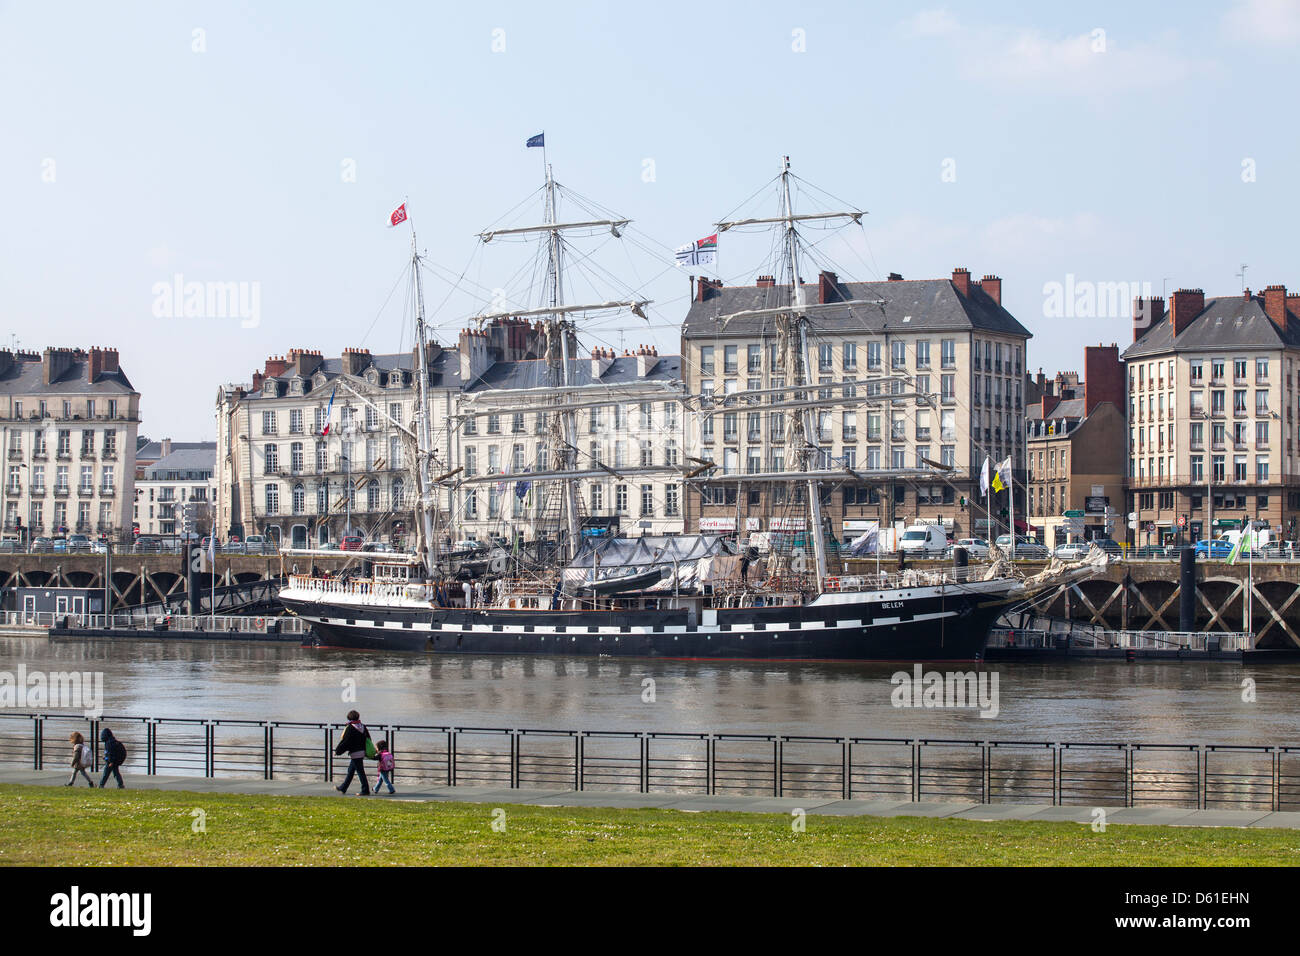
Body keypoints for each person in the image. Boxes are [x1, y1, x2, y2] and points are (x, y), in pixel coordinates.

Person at [334, 710, 372, 795]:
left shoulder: (350, 728)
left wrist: (338, 751)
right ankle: (343, 787)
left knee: (360, 772)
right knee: (351, 771)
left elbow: (345, 741)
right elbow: (368, 739)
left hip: (354, 753)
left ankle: (365, 790)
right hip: (362, 751)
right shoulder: (363, 726)